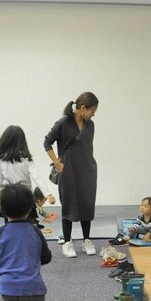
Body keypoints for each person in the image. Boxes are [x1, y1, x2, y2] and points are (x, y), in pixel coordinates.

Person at [44, 92, 100, 258]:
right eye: (93, 110)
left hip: (87, 170)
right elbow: (47, 142)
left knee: (87, 203)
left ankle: (86, 240)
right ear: (83, 108)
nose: (94, 113)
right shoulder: (63, 123)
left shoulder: (91, 125)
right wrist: (57, 163)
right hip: (68, 170)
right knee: (68, 204)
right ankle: (67, 242)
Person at [0, 125, 56, 223]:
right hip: (25, 199)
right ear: (22, 142)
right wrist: (48, 194)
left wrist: (1, 199)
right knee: (27, 226)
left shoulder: (1, 159)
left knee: (10, 226)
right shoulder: (26, 159)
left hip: (8, 199)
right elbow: (36, 177)